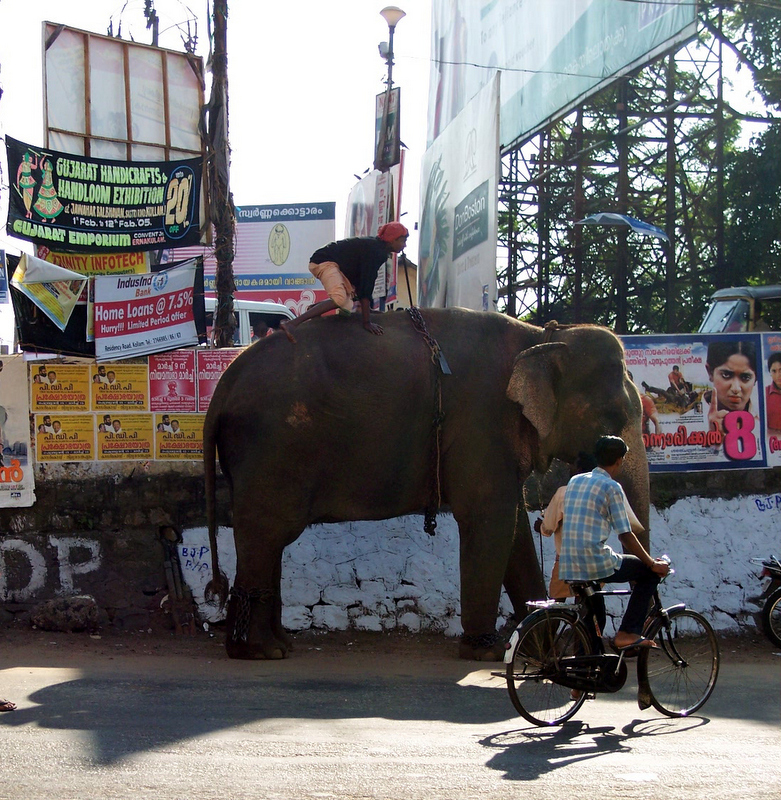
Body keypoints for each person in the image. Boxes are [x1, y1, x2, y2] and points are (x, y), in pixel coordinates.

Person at [559, 435, 670, 651]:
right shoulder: (611, 486)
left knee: (593, 622)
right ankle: (628, 633)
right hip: (594, 561)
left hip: (570, 563)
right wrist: (650, 562)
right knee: (648, 574)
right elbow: (625, 534)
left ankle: (580, 681)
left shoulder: (575, 481)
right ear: (619, 460)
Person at [538, 452, 646, 603]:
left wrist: (541, 528)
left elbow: (548, 527)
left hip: (566, 562)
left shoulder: (564, 491)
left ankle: (553, 624)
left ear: (578, 469)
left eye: (573, 465)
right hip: (593, 562)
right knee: (590, 608)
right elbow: (630, 526)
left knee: (558, 605)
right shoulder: (606, 489)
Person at [279, 222, 409, 343]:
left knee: (347, 304)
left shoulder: (377, 249)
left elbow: (363, 281)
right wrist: (366, 322)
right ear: (393, 239)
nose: (405, 245)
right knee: (340, 299)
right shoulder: (376, 251)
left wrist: (367, 310)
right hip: (324, 261)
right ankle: (292, 324)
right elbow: (366, 283)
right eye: (403, 241)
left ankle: (314, 309)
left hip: (334, 265)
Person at [705, 340, 757, 435]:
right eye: (726, 375)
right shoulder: (685, 421)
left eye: (745, 377)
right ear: (710, 372)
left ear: (756, 378)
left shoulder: (764, 422)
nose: (736, 388)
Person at [766, 352, 781, 435]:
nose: (778, 375)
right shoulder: (764, 394)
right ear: (770, 373)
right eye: (774, 371)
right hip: (773, 441)